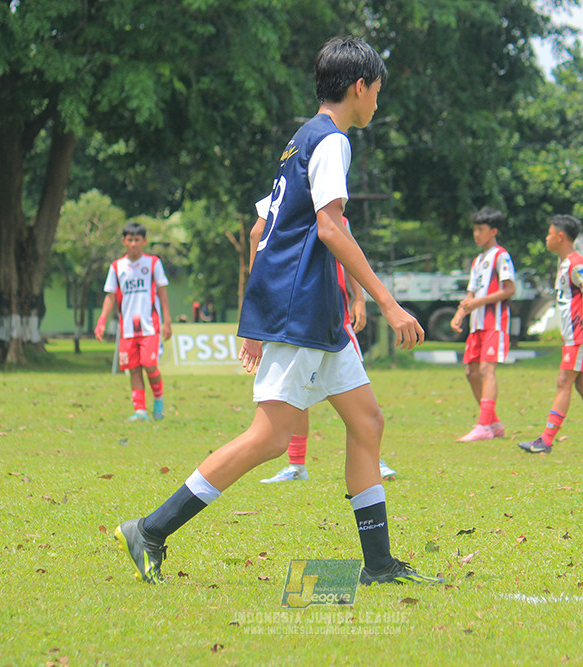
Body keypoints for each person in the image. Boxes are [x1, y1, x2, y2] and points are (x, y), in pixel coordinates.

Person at [113, 36, 440, 586]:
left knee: (367, 423)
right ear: (359, 88)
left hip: (312, 312)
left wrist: (262, 316)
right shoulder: (332, 142)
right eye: (377, 93)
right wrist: (388, 301)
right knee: (268, 438)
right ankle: (150, 529)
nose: (377, 105)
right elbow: (330, 228)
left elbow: (265, 230)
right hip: (303, 310)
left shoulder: (299, 141)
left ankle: (379, 565)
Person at [251, 211, 398, 483]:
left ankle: (372, 460)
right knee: (297, 397)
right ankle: (297, 465)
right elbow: (255, 236)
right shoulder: (288, 212)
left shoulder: (338, 218)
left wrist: (359, 299)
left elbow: (350, 256)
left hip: (334, 320)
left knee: (350, 393)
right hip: (301, 320)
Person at [518, 215, 583, 454]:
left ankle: (545, 441)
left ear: (560, 237)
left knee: (564, 382)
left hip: (582, 335)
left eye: (549, 233)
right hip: (574, 336)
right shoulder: (565, 264)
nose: (547, 238)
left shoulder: (576, 264)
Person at [95, 222, 173, 422]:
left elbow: (163, 294)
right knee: (134, 369)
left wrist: (167, 321)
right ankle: (140, 411)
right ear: (123, 241)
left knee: (149, 364)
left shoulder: (153, 263)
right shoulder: (117, 267)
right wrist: (102, 321)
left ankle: (158, 400)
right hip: (127, 329)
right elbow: (110, 296)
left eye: (137, 240)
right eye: (129, 240)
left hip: (150, 326)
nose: (133, 244)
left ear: (144, 241)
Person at [450, 207, 516, 442]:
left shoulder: (501, 256)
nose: (476, 234)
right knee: (471, 372)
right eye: (475, 229)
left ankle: (483, 425)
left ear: (493, 231)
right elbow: (471, 293)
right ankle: (493, 423)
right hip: (477, 325)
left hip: (495, 324)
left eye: (481, 230)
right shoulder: (478, 261)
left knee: (487, 371)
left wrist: (478, 302)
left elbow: (509, 289)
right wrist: (460, 314)